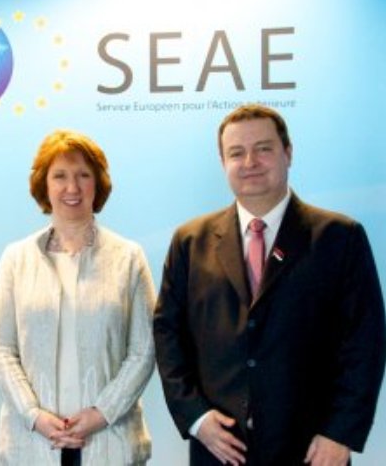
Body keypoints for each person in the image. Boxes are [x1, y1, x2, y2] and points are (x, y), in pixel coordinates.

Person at [153, 103, 386, 466]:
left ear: (287, 153)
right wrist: (195, 417)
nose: (250, 162)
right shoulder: (190, 241)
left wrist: (340, 433)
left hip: (313, 450)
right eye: (236, 153)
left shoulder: (340, 238)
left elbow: (365, 341)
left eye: (263, 149)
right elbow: (168, 335)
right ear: (223, 162)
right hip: (219, 448)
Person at [0, 129, 157, 465]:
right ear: (44, 185)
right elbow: (0, 349)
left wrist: (102, 412)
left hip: (110, 440)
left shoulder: (128, 258)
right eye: (60, 176)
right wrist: (33, 414)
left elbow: (144, 349)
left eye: (83, 175)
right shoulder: (16, 259)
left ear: (98, 183)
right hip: (32, 442)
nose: (72, 187)